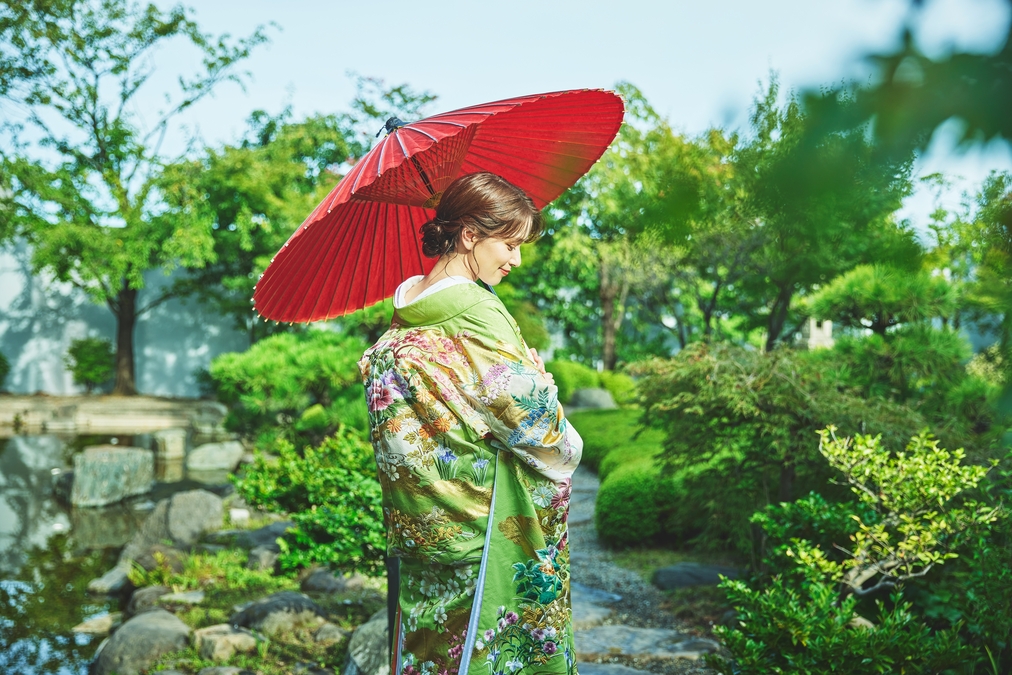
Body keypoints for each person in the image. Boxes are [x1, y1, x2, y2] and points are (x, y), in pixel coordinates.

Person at [359, 171, 583, 675]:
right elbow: (534, 426)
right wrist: (543, 390)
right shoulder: (477, 310)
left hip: (422, 522)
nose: (516, 260)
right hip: (483, 524)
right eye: (509, 244)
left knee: (431, 652)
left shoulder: (406, 310)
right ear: (469, 235)